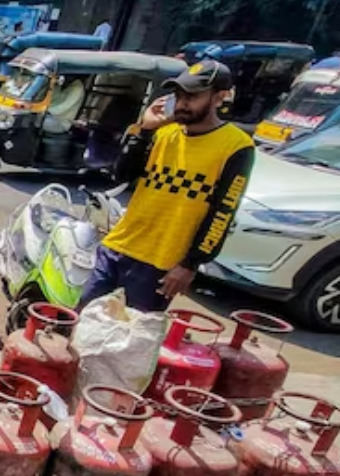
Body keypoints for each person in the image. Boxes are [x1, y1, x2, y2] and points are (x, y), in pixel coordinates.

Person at [80, 60, 253, 313]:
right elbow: (122, 174)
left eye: (193, 96)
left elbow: (222, 213)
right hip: (119, 245)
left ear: (220, 97)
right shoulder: (163, 133)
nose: (183, 103)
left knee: (129, 338)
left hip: (161, 262)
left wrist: (190, 265)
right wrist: (145, 130)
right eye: (179, 95)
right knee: (81, 317)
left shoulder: (236, 146)